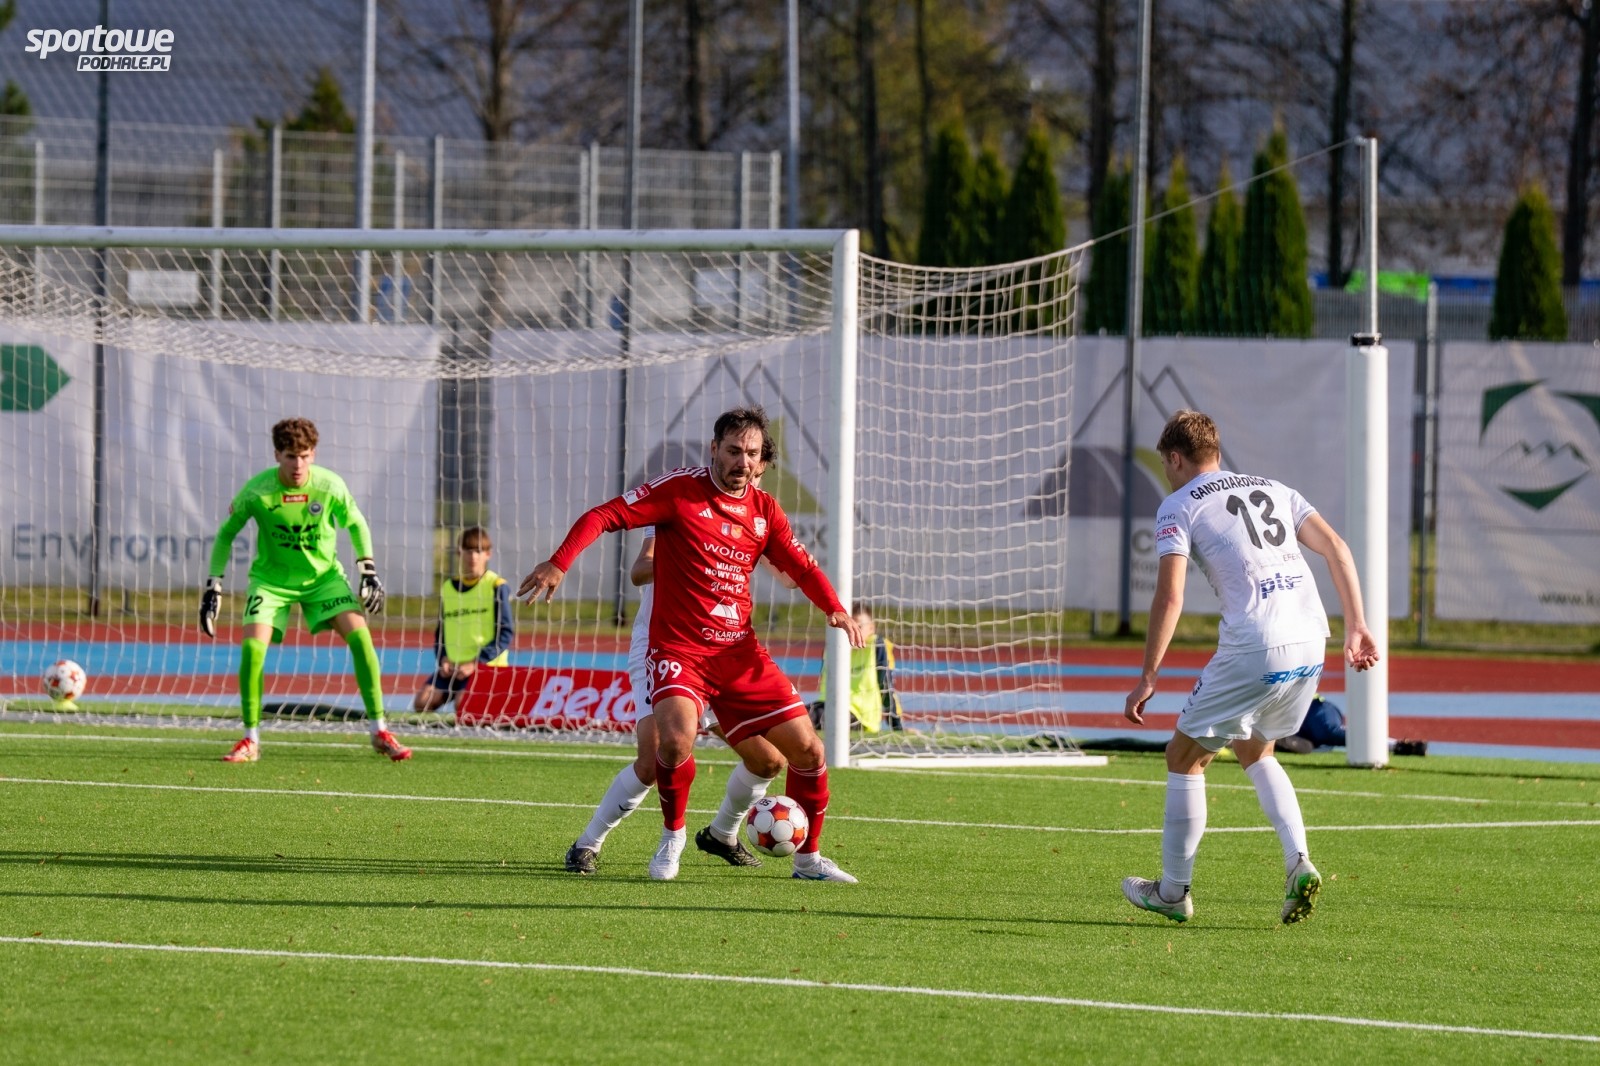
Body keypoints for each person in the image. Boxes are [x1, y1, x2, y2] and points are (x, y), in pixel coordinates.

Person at [520, 405, 865, 882]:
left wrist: (834, 608)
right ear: (714, 449)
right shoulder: (678, 492)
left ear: (763, 461)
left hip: (737, 654)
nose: (742, 461)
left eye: (751, 453)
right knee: (669, 745)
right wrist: (560, 561)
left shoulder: (765, 511)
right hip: (676, 648)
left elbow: (801, 566)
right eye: (733, 451)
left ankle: (798, 859)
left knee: (802, 752)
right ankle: (663, 837)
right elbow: (605, 516)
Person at [1121, 409, 1380, 925]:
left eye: (1166, 463)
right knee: (1255, 747)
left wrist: (1148, 675)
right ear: (1216, 453)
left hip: (1257, 642)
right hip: (1312, 638)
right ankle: (1298, 862)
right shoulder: (1275, 488)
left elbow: (1170, 596)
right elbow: (1336, 547)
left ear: (1175, 458)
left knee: (1183, 757)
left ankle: (1172, 891)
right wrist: (1357, 624)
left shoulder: (1178, 504)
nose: (1167, 473)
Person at [565, 464, 799, 876]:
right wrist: (692, 558)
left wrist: (772, 558)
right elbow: (639, 570)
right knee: (654, 759)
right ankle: (588, 843)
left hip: (719, 656)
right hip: (664, 647)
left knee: (768, 760)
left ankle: (722, 834)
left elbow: (790, 578)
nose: (747, 481)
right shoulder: (683, 502)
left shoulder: (755, 518)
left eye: (756, 474)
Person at [200, 417, 411, 763]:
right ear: (277, 455)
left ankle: (379, 731)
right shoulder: (257, 491)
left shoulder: (329, 486)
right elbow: (226, 534)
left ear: (313, 454)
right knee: (252, 649)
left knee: (362, 639)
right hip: (271, 582)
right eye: (290, 456)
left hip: (323, 579)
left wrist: (368, 570)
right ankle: (250, 739)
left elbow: (356, 523)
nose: (298, 465)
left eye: (304, 455)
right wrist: (214, 586)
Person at [413, 526, 515, 713]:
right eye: (468, 550)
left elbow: (506, 633)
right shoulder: (448, 587)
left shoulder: (496, 586)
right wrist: (443, 658)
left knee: (463, 705)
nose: (473, 556)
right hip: (454, 669)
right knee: (422, 702)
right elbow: (441, 632)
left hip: (486, 667)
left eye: (478, 551)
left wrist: (476, 663)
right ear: (459, 553)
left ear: (488, 554)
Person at [807, 602, 904, 734]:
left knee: (813, 720)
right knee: (796, 717)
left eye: (859, 626)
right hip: (827, 706)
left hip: (861, 717)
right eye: (847, 627)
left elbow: (886, 687)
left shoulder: (876, 646)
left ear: (871, 628)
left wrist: (897, 727)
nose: (852, 631)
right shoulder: (831, 649)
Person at [1275, 694, 1427, 757]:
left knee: (1328, 732)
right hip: (1300, 729)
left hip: (1311, 708)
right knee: (1318, 739)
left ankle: (1398, 745)